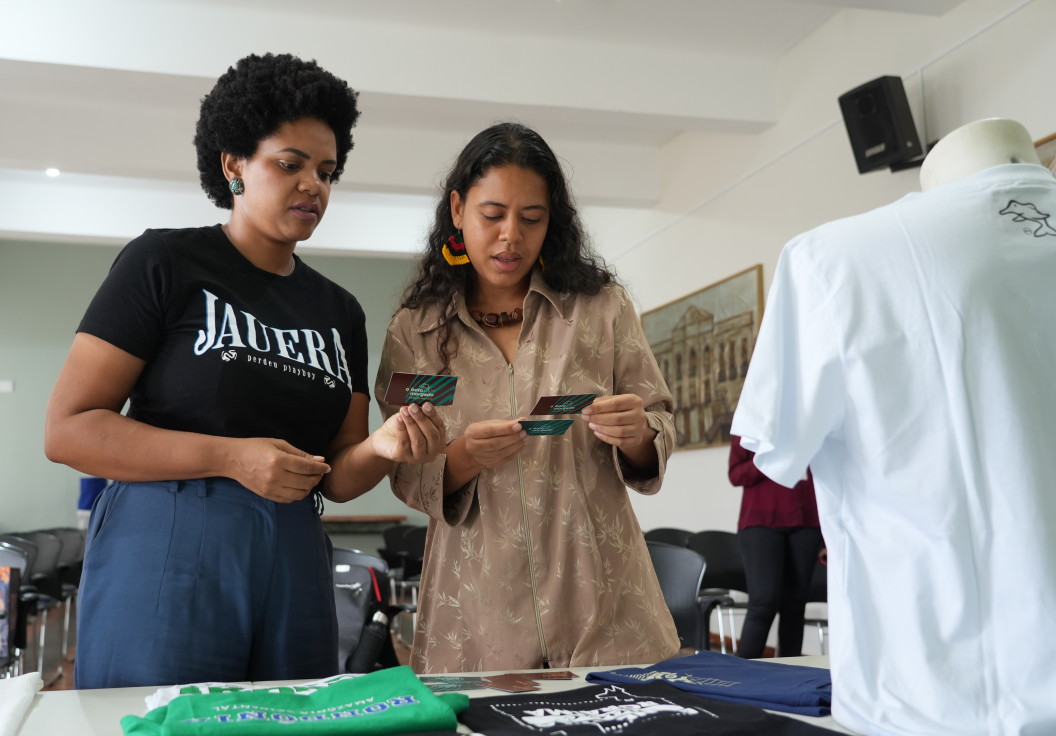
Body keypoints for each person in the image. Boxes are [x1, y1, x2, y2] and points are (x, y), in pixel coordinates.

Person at [44, 53, 445, 690]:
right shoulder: (163, 262)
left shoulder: (339, 311)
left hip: (292, 551)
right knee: (162, 728)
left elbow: (339, 476)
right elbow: (68, 430)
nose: (313, 185)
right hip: (168, 536)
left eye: (326, 172)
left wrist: (383, 446)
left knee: (290, 733)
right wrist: (231, 457)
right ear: (234, 165)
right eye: (290, 164)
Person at [731, 118, 1056, 736]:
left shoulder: (834, 258)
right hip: (942, 717)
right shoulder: (836, 259)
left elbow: (776, 444)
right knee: (772, 600)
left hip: (945, 717)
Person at [375, 122, 681, 673]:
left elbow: (658, 419)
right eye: (492, 215)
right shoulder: (414, 331)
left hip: (603, 602)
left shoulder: (600, 309)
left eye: (532, 218)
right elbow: (402, 469)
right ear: (457, 209)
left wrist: (639, 434)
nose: (511, 236)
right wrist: (462, 458)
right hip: (477, 607)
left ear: (551, 219)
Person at [726, 434, 821, 658]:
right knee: (763, 603)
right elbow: (736, 475)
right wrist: (771, 457)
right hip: (760, 521)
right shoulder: (750, 425)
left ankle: (791, 671)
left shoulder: (809, 424)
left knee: (795, 606)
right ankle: (742, 673)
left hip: (808, 521)